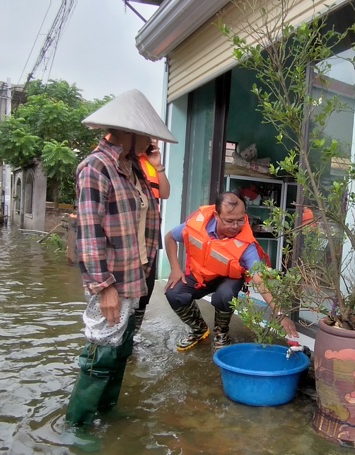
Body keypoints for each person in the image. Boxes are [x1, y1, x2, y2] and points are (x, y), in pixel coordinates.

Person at [65, 89, 176, 429]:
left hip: (136, 275)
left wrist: (153, 165)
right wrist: (103, 288)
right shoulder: (95, 168)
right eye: (146, 136)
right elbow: (89, 232)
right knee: (100, 353)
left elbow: (159, 199)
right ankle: (78, 425)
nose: (149, 142)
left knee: (122, 348)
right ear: (129, 132)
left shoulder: (135, 170)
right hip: (112, 280)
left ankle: (107, 411)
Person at [164, 191, 299, 351]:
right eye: (229, 221)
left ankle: (222, 333)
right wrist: (175, 268)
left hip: (229, 278)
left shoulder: (246, 243)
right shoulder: (197, 224)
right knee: (173, 292)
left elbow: (259, 279)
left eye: (240, 220)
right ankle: (199, 329)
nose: (235, 227)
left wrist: (279, 313)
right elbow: (170, 237)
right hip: (201, 274)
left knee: (225, 294)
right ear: (216, 215)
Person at [130, 138, 170, 337]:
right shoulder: (120, 161)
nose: (152, 142)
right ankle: (119, 336)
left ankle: (132, 336)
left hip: (151, 232)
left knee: (147, 286)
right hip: (128, 231)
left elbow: (165, 193)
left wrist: (159, 165)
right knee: (127, 287)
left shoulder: (151, 164)